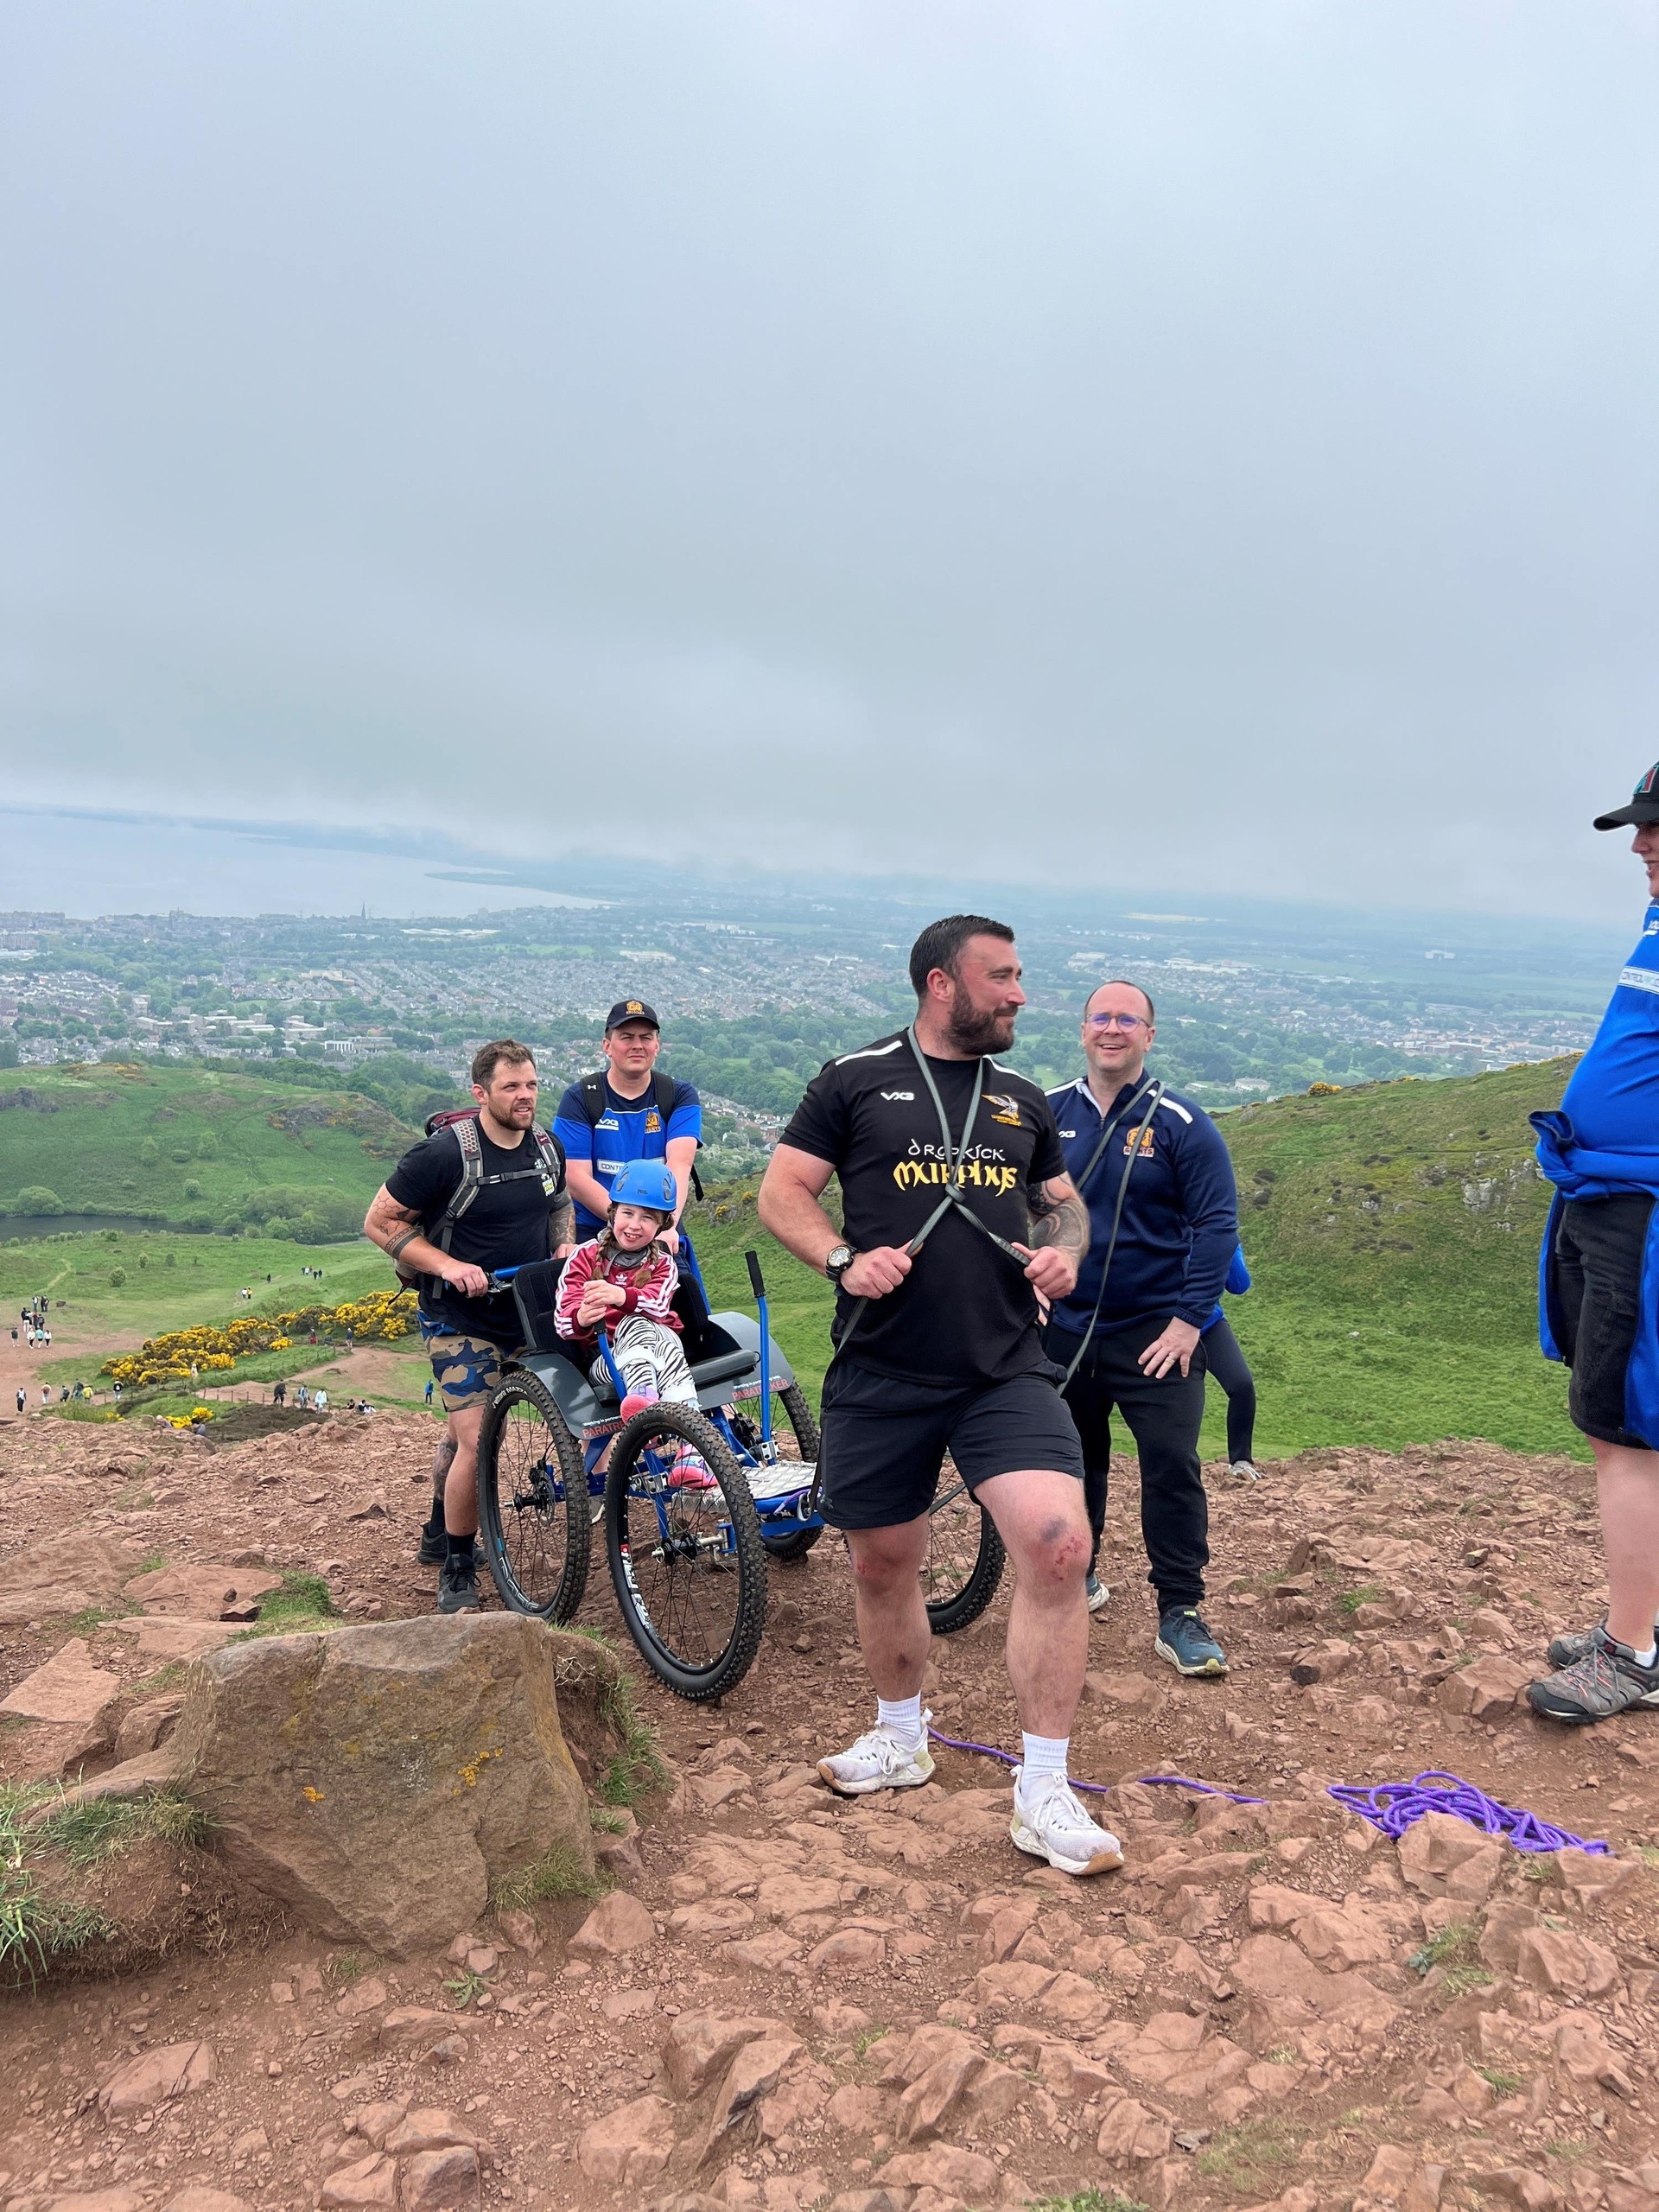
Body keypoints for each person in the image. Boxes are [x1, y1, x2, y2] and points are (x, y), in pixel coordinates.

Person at [759, 914, 1122, 1879]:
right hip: (881, 1369)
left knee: (1059, 1544)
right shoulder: (853, 1079)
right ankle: (899, 1735)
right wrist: (840, 1256)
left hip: (1004, 1365)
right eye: (1000, 977)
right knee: (885, 1563)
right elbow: (783, 1191)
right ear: (939, 984)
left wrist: (1066, 1252)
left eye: (1018, 976)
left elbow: (1063, 1201)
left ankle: (1044, 1786)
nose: (1018, 995)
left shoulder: (1019, 1099)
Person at [1042, 981, 1240, 1678]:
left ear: (1149, 1036)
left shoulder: (1184, 1123)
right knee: (1072, 1466)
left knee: (1171, 1468)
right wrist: (1028, 1287)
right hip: (1064, 1330)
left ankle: (1180, 1611)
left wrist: (1190, 1323)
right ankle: (1080, 1577)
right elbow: (1016, 1205)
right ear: (1083, 1028)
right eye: (1102, 1016)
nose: (1114, 1028)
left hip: (1157, 1336)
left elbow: (1219, 1225)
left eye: (1129, 1019)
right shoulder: (1049, 1112)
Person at [1528, 763, 1659, 1725]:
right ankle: (1641, 1620)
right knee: (1622, 1423)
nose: (1640, 845)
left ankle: (1631, 1654)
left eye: (1656, 828)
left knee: (1625, 1431)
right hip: (1609, 1198)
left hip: (1640, 1210)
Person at [365, 1039, 574, 1613]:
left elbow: (559, 1206)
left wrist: (564, 1249)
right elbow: (378, 1221)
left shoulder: (546, 1148)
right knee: (480, 1441)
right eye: (511, 1087)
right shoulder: (441, 1156)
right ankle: (458, 1563)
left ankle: (438, 1525)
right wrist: (450, 1267)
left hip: (527, 1314)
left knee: (462, 1436)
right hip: (457, 1318)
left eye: (531, 1084)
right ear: (480, 1093)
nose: (525, 1096)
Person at [553, 1160, 709, 1485]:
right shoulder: (583, 1258)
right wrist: (582, 1316)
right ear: (613, 1213)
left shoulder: (664, 1265)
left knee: (654, 1332)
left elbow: (656, 1304)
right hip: (606, 1360)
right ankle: (680, 1440)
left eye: (647, 1218)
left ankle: (651, 1416)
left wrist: (617, 1295)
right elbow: (562, 1323)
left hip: (658, 1355)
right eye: (627, 1213)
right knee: (640, 1328)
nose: (634, 1225)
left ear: (662, 1226)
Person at [553, 1001, 702, 1244]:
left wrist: (662, 1223)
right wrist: (628, 1225)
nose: (637, 1046)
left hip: (660, 1223)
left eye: (646, 1037)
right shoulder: (580, 1098)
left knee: (681, 1281)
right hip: (595, 1227)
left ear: (657, 1045)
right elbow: (577, 1178)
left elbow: (680, 1163)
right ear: (607, 1046)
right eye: (626, 1037)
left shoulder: (678, 1095)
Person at [1202, 1247, 1259, 1482]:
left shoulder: (1217, 1228)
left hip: (1207, 1323)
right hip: (1160, 1325)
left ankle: (1241, 1460)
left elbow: (1239, 1284)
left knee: (1242, 1386)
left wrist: (1230, 1243)